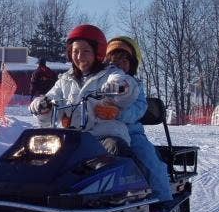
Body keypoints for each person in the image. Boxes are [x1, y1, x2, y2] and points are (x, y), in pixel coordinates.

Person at [29, 24, 139, 156]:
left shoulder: (110, 73)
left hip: (104, 137)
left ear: (97, 53)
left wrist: (120, 86)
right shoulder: (65, 80)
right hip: (72, 139)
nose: (80, 56)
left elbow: (127, 88)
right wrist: (43, 106)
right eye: (75, 51)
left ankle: (126, 175)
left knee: (113, 148)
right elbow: (53, 100)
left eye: (86, 51)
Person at [104, 36, 173, 202]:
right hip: (101, 132)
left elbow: (139, 109)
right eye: (113, 60)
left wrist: (118, 114)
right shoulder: (99, 83)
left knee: (150, 162)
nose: (118, 63)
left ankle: (161, 201)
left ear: (132, 64)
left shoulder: (135, 86)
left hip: (131, 134)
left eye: (124, 59)